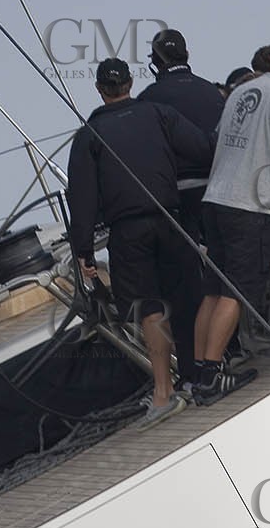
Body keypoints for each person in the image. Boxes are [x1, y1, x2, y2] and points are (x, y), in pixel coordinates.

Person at [66, 57, 213, 428]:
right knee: (188, 297)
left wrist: (83, 249)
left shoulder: (88, 136)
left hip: (128, 233)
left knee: (150, 309)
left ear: (99, 90)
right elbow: (202, 150)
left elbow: (80, 199)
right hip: (170, 219)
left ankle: (164, 394)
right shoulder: (159, 115)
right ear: (131, 82)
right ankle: (202, 375)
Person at [191, 32, 270, 403]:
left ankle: (199, 370)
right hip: (248, 206)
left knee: (213, 290)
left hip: (215, 199)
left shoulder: (246, 89)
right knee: (237, 290)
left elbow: (217, 137)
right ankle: (213, 376)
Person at [136, 28, 224, 385]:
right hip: (220, 195)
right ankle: (226, 352)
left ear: (156, 61)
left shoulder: (148, 100)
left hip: (178, 203)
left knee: (186, 289)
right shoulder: (213, 93)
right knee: (222, 281)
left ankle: (191, 368)